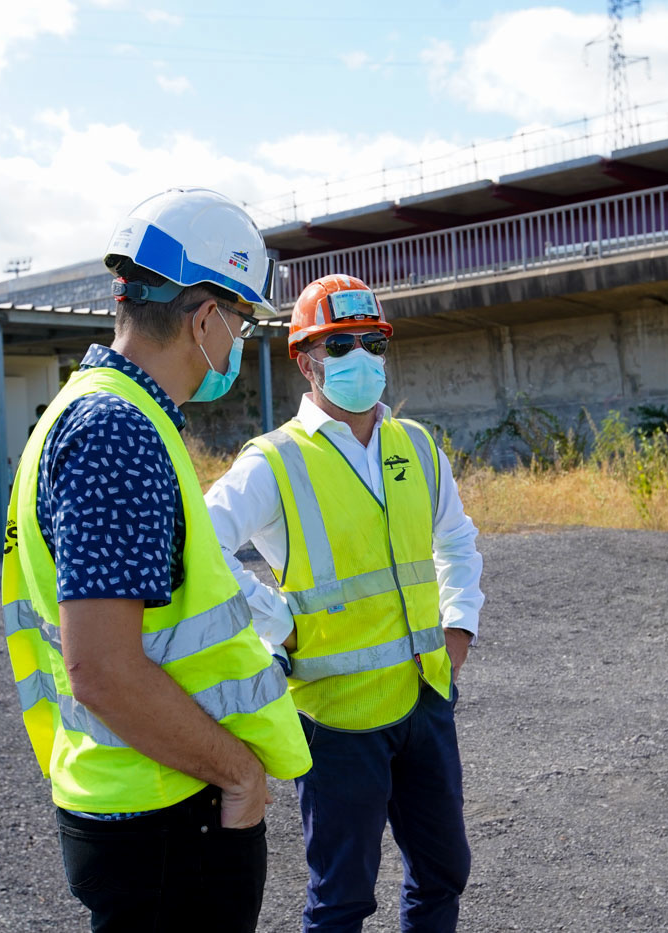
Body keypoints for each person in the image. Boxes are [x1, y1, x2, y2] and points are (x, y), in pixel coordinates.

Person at [0, 187, 311, 933]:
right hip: (170, 813)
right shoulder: (118, 432)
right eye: (238, 320)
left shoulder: (101, 412)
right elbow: (102, 667)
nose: (239, 340)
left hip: (148, 804)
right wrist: (238, 773)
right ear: (205, 317)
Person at [205, 273, 485, 932]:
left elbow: (457, 540)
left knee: (444, 872)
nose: (361, 357)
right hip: (335, 720)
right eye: (340, 345)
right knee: (342, 900)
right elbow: (200, 546)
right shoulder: (273, 461)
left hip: (423, 701)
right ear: (306, 361)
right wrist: (278, 621)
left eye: (372, 342)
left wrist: (460, 622)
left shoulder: (416, 445)